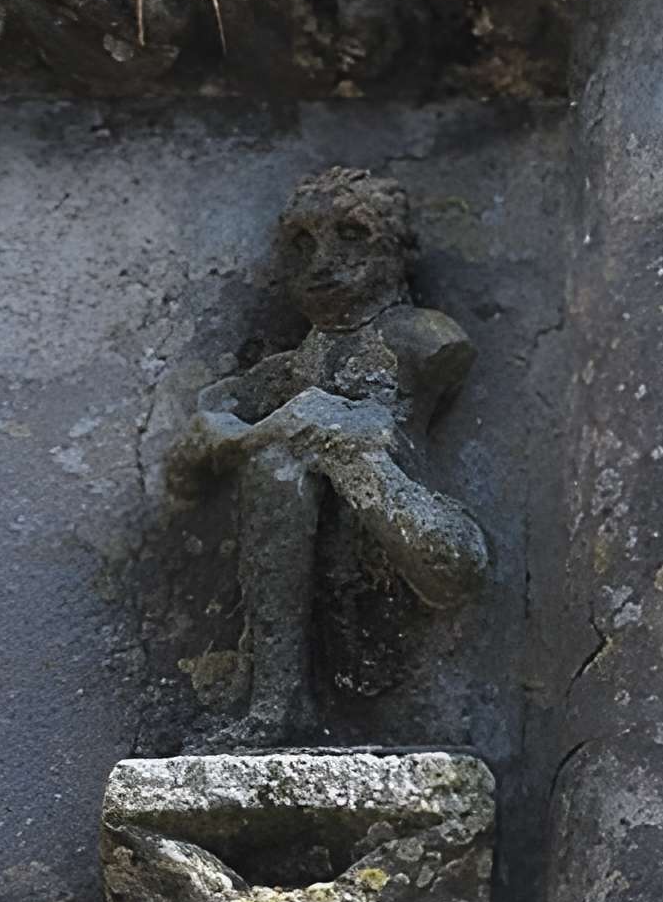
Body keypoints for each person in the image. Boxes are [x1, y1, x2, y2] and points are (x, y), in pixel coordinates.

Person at [168, 167, 487, 746]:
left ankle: (281, 702)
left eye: (351, 235)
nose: (322, 261)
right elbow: (193, 449)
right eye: (301, 245)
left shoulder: (421, 338)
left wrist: (332, 437)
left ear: (397, 249)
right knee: (279, 464)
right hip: (318, 570)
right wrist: (255, 435)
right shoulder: (294, 367)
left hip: (395, 539)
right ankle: (277, 702)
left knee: (318, 455)